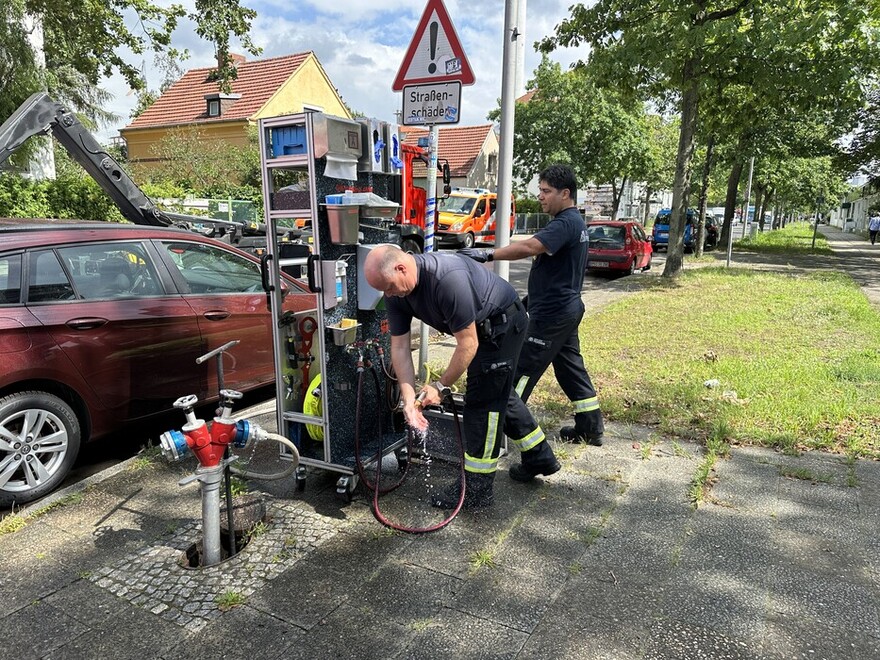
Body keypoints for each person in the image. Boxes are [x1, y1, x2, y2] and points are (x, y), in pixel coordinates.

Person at [363, 244, 560, 509]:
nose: (388, 294)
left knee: (484, 404)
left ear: (401, 267)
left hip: (503, 325)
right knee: (499, 391)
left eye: (388, 287)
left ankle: (477, 490)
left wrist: (440, 386)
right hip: (478, 329)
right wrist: (408, 399)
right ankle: (539, 456)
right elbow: (399, 347)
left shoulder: (446, 279)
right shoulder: (396, 292)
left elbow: (468, 344)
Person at [460, 164, 605, 465]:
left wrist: (487, 254)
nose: (540, 197)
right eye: (540, 190)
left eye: (546, 191)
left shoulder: (565, 222)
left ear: (566, 194)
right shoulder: (574, 223)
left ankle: (520, 443)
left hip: (551, 315)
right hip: (563, 308)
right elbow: (556, 273)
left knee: (516, 377)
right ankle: (590, 425)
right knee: (569, 367)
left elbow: (530, 246)